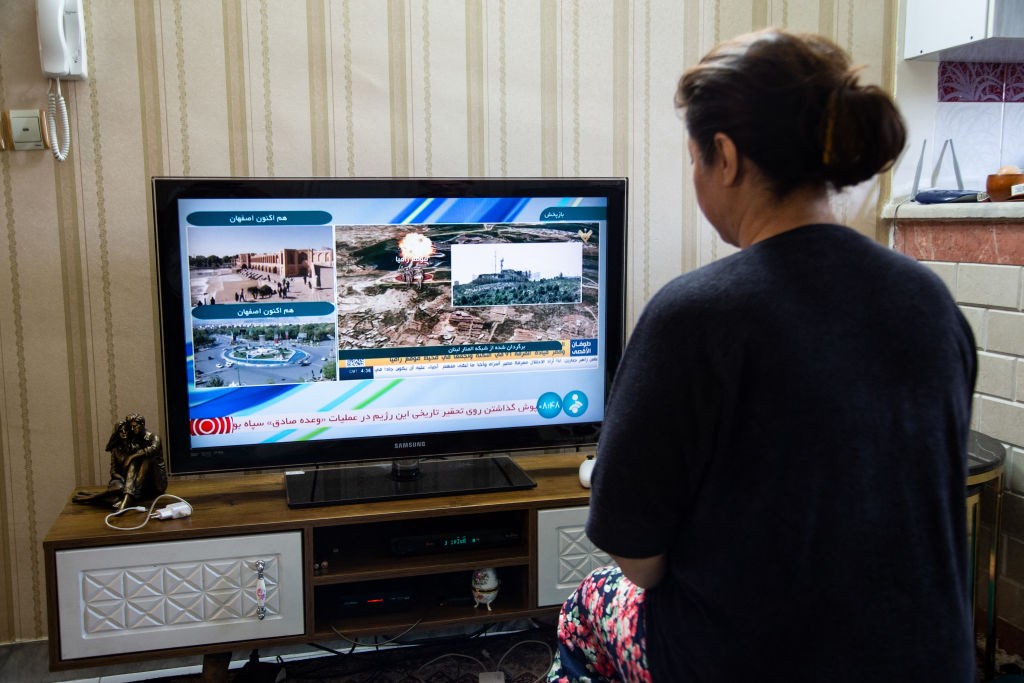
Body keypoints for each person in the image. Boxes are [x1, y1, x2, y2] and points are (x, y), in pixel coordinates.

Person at [548, 29, 977, 682]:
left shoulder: (696, 313)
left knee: (586, 604)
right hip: (931, 660)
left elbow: (634, 552)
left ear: (725, 155)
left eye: (694, 157)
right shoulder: (930, 299)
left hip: (749, 664)